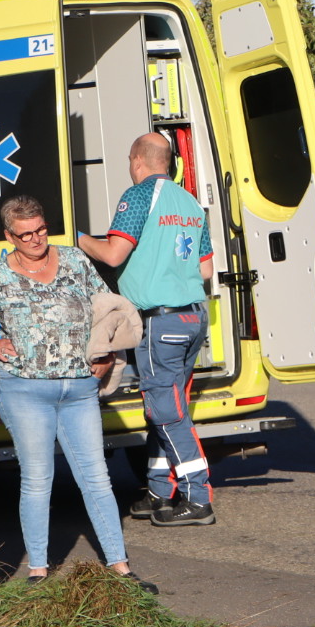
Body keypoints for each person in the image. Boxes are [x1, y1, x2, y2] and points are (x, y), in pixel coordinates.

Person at [0, 196, 149, 589]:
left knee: (96, 477)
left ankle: (120, 568)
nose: (36, 239)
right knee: (37, 478)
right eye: (25, 234)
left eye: (41, 229)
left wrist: (108, 352)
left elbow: (109, 309)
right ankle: (38, 571)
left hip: (80, 388)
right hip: (25, 390)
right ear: (9, 236)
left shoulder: (75, 260)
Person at [77, 133, 216, 527]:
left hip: (160, 321)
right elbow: (206, 269)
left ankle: (197, 497)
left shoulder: (138, 196)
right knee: (166, 405)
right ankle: (158, 490)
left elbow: (113, 254)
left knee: (165, 410)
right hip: (192, 317)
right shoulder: (190, 201)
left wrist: (79, 238)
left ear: (137, 160)